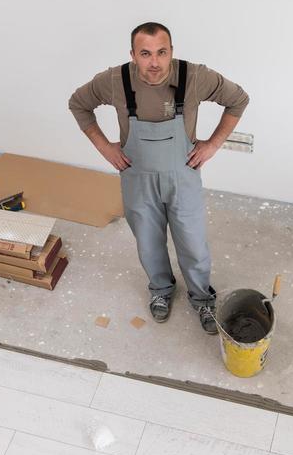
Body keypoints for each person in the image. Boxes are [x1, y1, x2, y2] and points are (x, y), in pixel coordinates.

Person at [68, 22, 249, 334]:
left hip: (183, 176)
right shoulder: (115, 80)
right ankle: (161, 290)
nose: (154, 62)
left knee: (192, 242)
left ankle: (202, 297)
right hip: (137, 178)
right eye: (145, 54)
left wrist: (213, 144)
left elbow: (238, 100)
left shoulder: (195, 77)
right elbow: (79, 104)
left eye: (162, 53)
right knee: (149, 243)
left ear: (172, 52)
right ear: (133, 55)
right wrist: (105, 148)